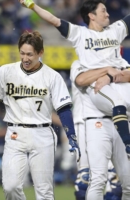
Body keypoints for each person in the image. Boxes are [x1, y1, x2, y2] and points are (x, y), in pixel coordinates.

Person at [18, 0, 130, 159]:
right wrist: (33, 6)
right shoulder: (80, 33)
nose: (108, 14)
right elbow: (53, 19)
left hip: (118, 78)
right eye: (103, 11)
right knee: (117, 103)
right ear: (91, 15)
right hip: (97, 83)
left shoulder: (116, 29)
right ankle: (128, 144)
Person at [0, 30, 80, 200]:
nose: (25, 58)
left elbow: (63, 108)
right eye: (22, 53)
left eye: (30, 54)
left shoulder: (52, 76)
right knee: (10, 187)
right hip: (15, 133)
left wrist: (71, 134)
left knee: (44, 191)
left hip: (42, 134)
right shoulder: (6, 71)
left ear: (40, 53)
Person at [70, 60, 130, 200]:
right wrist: (108, 70)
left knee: (123, 185)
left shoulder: (121, 61)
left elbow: (126, 74)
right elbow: (81, 80)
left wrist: (109, 76)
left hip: (121, 123)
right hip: (93, 123)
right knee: (92, 180)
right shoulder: (80, 62)